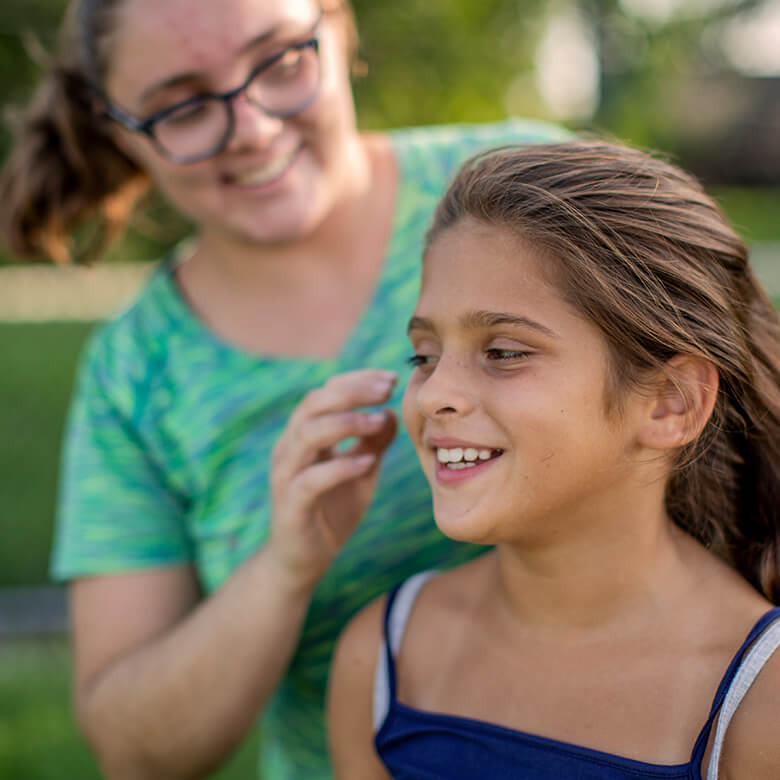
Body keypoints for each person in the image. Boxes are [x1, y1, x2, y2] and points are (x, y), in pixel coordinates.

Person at [0, 0, 569, 777]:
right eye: (183, 105)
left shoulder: (527, 188)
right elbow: (133, 748)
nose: (255, 128)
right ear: (119, 131)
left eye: (281, 62)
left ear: (338, 34)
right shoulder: (136, 373)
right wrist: (284, 567)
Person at [327, 140, 780, 779]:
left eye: (505, 352)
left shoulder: (761, 707)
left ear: (670, 403)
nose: (435, 395)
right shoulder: (382, 656)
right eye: (424, 356)